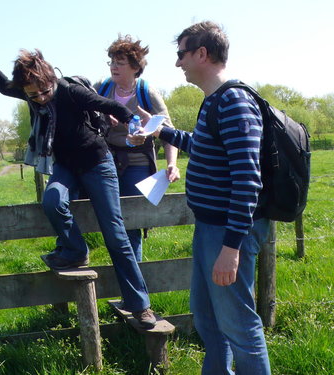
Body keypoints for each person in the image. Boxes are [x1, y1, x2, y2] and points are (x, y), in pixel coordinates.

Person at [0, 39, 157, 328]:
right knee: (52, 200)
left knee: (115, 235)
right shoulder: (30, 94)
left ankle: (140, 305)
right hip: (66, 166)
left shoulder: (70, 90)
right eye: (33, 95)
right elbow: (4, 86)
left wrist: (134, 126)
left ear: (51, 80)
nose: (41, 98)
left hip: (97, 163)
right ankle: (75, 250)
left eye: (45, 91)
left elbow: (113, 107)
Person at [132, 21, 271, 374]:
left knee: (239, 326)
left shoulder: (234, 102)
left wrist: (231, 248)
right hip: (210, 228)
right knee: (209, 323)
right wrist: (161, 131)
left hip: (226, 232)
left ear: (202, 54)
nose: (178, 63)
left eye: (182, 54)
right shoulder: (214, 101)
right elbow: (204, 147)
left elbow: (247, 181)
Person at [96, 35, 180, 261]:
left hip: (138, 165)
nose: (113, 67)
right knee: (110, 222)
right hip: (106, 162)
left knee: (132, 223)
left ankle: (133, 290)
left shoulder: (147, 92)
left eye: (119, 63)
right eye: (111, 62)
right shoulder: (101, 89)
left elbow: (169, 133)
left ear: (135, 67)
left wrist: (171, 163)